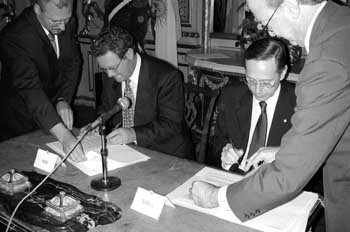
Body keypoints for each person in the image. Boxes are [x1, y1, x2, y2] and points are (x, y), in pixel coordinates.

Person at [189, 1, 350, 231]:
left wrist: (216, 197)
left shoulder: (327, 61)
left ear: (292, 6)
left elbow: (289, 175)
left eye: (267, 21)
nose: (268, 31)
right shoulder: (342, 23)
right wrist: (282, 151)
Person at [87, 26, 194, 159]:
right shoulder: (110, 75)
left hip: (164, 154)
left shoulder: (167, 76)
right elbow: (106, 108)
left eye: (112, 68)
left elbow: (171, 125)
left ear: (129, 54)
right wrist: (97, 125)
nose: (109, 75)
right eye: (104, 69)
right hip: (124, 152)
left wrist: (133, 134)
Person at [0, 0, 86, 162]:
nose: (62, 27)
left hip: (52, 114)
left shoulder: (66, 20)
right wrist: (64, 135)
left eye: (66, 20)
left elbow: (72, 64)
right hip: (20, 120)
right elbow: (30, 89)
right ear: (37, 9)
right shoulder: (14, 37)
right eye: (55, 22)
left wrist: (62, 99)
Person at [207, 38, 296, 174]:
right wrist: (225, 154)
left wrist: (282, 155)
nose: (257, 90)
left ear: (283, 73)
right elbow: (217, 143)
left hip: (276, 182)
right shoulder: (232, 95)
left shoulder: (299, 104)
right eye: (251, 80)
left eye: (266, 82)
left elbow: (313, 154)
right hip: (234, 176)